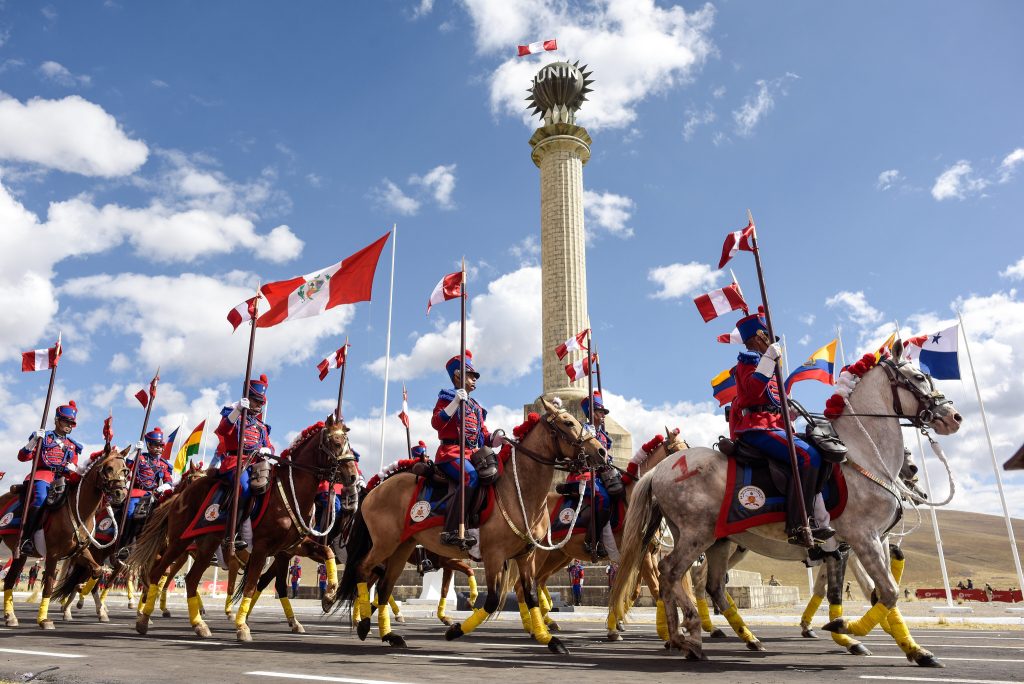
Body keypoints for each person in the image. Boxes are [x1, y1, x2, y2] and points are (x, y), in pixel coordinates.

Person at [730, 311, 835, 545]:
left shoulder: (766, 362)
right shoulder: (749, 360)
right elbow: (752, 392)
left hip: (774, 425)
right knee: (808, 458)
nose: (771, 340)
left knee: (820, 448)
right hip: (757, 428)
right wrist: (767, 360)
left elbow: (771, 401)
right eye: (767, 335)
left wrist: (788, 413)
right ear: (757, 338)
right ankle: (799, 524)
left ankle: (820, 516)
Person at [430, 351, 501, 550]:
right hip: (450, 452)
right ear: (458, 376)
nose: (474, 379)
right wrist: (454, 403)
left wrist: (497, 438)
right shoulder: (447, 397)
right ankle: (452, 529)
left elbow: (483, 435)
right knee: (470, 477)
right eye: (470, 375)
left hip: (472, 454)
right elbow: (436, 423)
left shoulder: (476, 407)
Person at [214, 375, 275, 551]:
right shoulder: (235, 416)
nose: (258, 406)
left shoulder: (261, 426)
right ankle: (231, 534)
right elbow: (223, 430)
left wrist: (268, 451)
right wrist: (238, 410)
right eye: (255, 401)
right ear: (248, 398)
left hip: (256, 464)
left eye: (260, 402)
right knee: (245, 488)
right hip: (235, 462)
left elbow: (270, 447)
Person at [17, 400, 84, 554]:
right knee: (41, 497)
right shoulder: (43, 438)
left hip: (61, 479)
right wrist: (34, 441)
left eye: (71, 423)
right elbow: (22, 457)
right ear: (56, 420)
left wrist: (75, 469)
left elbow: (73, 467)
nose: (69, 425)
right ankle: (26, 538)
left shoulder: (73, 446)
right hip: (42, 475)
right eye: (66, 421)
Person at [116, 427, 174, 560]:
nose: (159, 448)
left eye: (161, 445)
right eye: (156, 445)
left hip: (153, 495)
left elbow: (168, 480)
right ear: (148, 445)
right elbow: (128, 465)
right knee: (130, 514)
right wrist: (134, 451)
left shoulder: (164, 465)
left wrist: (165, 485)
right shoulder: (140, 458)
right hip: (136, 492)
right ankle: (124, 545)